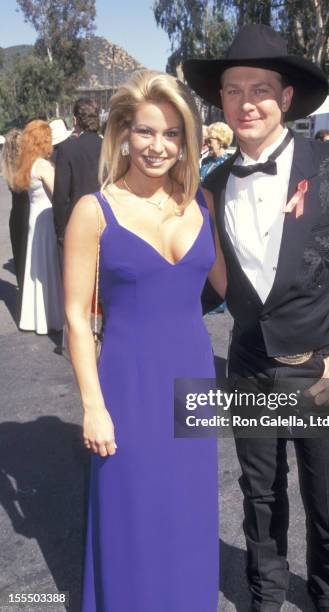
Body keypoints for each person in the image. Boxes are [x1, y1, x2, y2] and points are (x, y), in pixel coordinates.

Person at [184, 24, 329, 612]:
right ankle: (266, 593)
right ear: (222, 100)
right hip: (251, 367)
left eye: (261, 88)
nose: (247, 101)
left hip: (323, 374)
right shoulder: (210, 186)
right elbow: (207, 285)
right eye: (234, 89)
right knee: (259, 496)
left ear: (285, 98)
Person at [64, 70, 224, 611]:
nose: (158, 146)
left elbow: (234, 286)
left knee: (188, 510)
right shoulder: (95, 211)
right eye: (146, 131)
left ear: (187, 140)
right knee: (131, 512)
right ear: (123, 134)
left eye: (172, 133)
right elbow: (76, 317)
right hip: (128, 386)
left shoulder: (200, 200)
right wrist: (93, 407)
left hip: (194, 381)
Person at [14, 120, 63, 335]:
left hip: (34, 219)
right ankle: (53, 317)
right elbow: (57, 195)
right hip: (46, 218)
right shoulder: (43, 165)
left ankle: (36, 318)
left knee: (37, 267)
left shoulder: (27, 163)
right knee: (49, 268)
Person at [52, 97, 103, 252]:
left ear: (75, 120)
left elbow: (61, 197)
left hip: (76, 226)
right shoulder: (108, 146)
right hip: (107, 223)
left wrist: (61, 233)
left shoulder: (67, 149)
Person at [1, 129, 30, 312]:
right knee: (31, 261)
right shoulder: (28, 166)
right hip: (28, 213)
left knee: (20, 259)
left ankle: (24, 304)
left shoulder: (8, 168)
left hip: (15, 216)